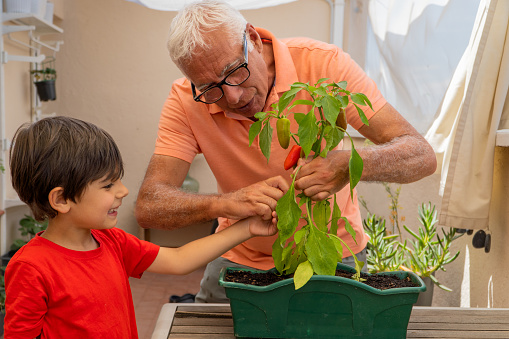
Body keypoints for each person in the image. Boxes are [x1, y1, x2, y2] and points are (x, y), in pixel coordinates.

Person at [135, 0, 437, 303]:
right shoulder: (186, 101)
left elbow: (420, 155)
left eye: (234, 71)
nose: (233, 96)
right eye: (210, 87)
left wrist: (348, 165)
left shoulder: (324, 65)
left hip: (330, 251)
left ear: (252, 38)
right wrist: (225, 204)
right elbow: (150, 205)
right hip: (241, 253)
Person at [3, 116, 277, 338]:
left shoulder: (112, 241)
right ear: (61, 199)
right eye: (108, 185)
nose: (123, 191)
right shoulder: (31, 268)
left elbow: (179, 260)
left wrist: (247, 228)